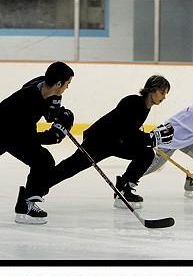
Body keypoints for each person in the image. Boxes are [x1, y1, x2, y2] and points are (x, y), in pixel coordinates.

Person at [45, 75, 174, 209]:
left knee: (146, 154)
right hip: (99, 141)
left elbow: (130, 133)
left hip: (115, 143)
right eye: (162, 92)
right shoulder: (132, 102)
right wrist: (150, 138)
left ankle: (125, 188)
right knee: (72, 167)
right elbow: (126, 130)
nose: (164, 97)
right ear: (152, 89)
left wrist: (149, 139)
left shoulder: (145, 107)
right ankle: (37, 187)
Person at [0, 61, 74, 225]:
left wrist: (56, 115)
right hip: (7, 131)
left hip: (14, 132)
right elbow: (29, 138)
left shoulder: (43, 86)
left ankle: (26, 204)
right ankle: (26, 204)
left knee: (43, 161)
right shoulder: (28, 102)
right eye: (68, 83)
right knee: (43, 160)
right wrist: (56, 134)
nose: (68, 87)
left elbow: (49, 114)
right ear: (59, 83)